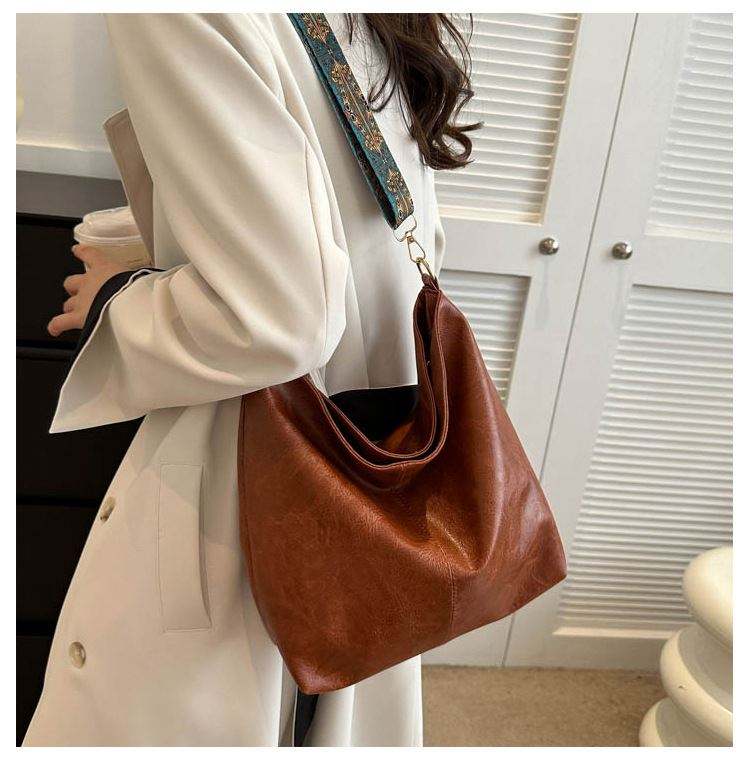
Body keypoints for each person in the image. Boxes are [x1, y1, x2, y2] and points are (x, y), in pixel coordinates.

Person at [24, 13, 476, 746]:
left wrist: (119, 300)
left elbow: (279, 316)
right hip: (374, 438)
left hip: (261, 459)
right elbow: (382, 229)